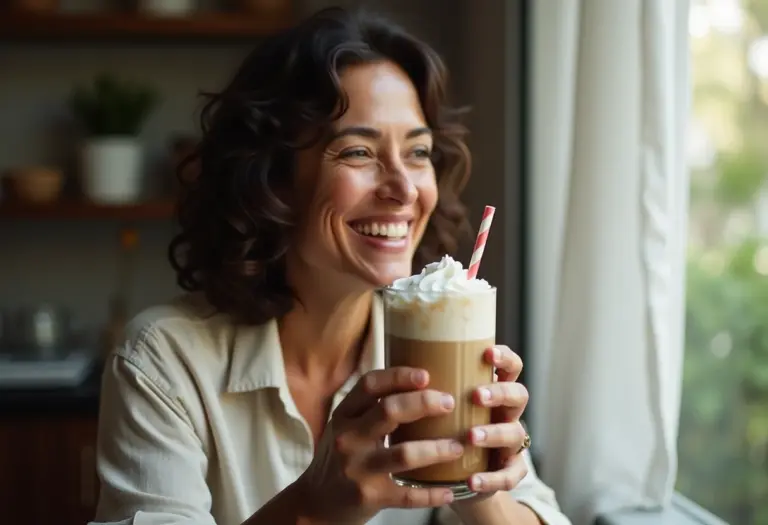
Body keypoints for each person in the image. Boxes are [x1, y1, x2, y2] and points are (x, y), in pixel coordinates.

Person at [90, 7, 571, 525]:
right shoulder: (165, 363)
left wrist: (484, 492)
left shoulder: (436, 341)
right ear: (272, 178)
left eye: (418, 152)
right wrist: (312, 509)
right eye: (359, 152)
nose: (404, 189)